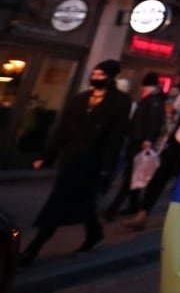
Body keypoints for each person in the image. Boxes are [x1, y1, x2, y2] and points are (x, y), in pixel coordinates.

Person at [19, 60, 131, 265]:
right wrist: (48, 155)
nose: (96, 77)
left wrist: (107, 169)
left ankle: (33, 249)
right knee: (74, 201)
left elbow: (116, 137)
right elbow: (63, 129)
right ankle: (94, 232)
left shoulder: (120, 102)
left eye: (101, 75)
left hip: (93, 162)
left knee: (64, 203)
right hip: (71, 159)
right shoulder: (79, 99)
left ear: (111, 77)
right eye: (95, 74)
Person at [123, 65, 180, 231]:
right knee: (158, 178)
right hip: (174, 142)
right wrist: (169, 119)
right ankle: (143, 214)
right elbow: (171, 119)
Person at [105, 72, 166, 220]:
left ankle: (113, 209)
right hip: (137, 140)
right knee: (132, 174)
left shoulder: (154, 101)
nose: (143, 88)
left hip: (141, 142)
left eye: (145, 86)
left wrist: (148, 140)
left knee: (130, 176)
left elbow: (154, 122)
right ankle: (133, 205)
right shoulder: (150, 100)